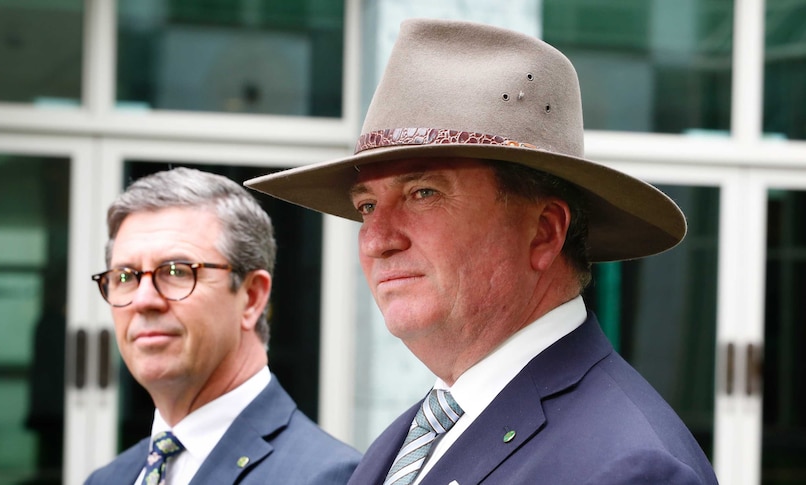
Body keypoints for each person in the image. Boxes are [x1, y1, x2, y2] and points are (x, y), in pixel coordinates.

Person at [245, 18, 718, 485]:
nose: (376, 239)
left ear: (544, 233)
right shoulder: (414, 438)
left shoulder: (630, 467)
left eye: (423, 193)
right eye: (367, 206)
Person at [84, 168, 360, 485]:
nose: (143, 300)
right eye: (124, 277)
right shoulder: (108, 479)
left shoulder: (332, 477)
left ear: (252, 296)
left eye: (176, 271)